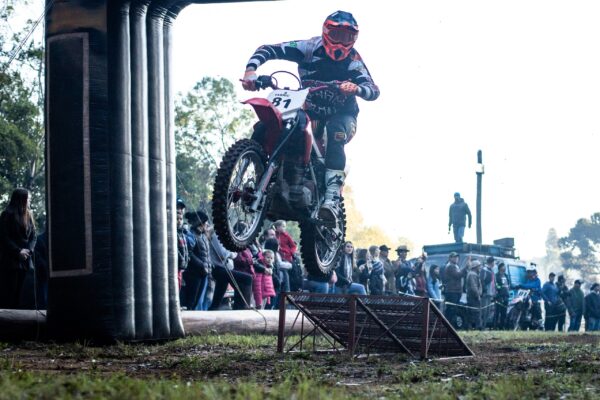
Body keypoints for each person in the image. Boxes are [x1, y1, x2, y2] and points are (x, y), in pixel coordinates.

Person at [241, 10, 380, 222]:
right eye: (337, 35)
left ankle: (332, 197)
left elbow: (373, 90)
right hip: (310, 111)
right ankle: (258, 173)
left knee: (336, 133)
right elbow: (268, 49)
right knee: (268, 125)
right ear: (326, 32)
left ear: (354, 38)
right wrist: (251, 71)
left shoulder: (354, 61)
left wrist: (357, 89)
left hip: (343, 115)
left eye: (347, 37)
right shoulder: (307, 48)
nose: (342, 42)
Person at [0, 188, 37, 309]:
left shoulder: (29, 215)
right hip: (11, 261)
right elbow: (4, 237)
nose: (30, 201)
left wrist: (28, 251)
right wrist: (18, 251)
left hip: (25, 260)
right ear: (21, 199)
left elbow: (33, 237)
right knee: (9, 295)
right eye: (28, 198)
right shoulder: (7, 214)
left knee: (22, 297)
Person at [442, 252, 465, 328]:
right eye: (454, 257)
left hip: (456, 291)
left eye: (457, 257)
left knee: (454, 310)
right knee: (451, 310)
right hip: (452, 291)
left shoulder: (456, 266)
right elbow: (457, 275)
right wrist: (466, 268)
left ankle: (450, 326)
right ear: (450, 258)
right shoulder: (450, 266)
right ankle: (448, 326)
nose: (456, 258)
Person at [465, 259, 483, 330]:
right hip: (473, 297)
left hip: (472, 296)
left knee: (473, 312)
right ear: (475, 267)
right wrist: (478, 295)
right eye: (479, 266)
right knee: (475, 312)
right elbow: (474, 286)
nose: (480, 268)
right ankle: (478, 327)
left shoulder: (473, 274)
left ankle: (472, 327)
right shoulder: (472, 274)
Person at [480, 256, 496, 329]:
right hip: (485, 294)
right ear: (491, 262)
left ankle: (484, 325)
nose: (494, 263)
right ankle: (481, 326)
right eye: (494, 262)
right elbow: (482, 281)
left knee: (488, 311)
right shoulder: (484, 270)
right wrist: (484, 290)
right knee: (484, 310)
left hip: (490, 294)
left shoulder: (492, 271)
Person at [494, 262, 511, 329]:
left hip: (506, 296)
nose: (505, 268)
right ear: (500, 268)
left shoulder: (506, 275)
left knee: (504, 312)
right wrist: (499, 289)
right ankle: (495, 326)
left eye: (505, 267)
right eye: (503, 267)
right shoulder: (497, 275)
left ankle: (502, 326)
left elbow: (508, 284)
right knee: (497, 312)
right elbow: (496, 285)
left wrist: (507, 290)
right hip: (499, 296)